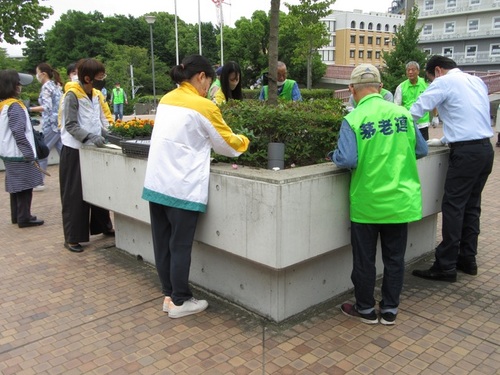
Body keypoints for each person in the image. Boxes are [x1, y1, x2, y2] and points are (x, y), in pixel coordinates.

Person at [142, 55, 250, 319]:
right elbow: (226, 143)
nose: (209, 88)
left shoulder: (166, 99)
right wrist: (246, 141)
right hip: (182, 187)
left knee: (162, 244)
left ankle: (169, 295)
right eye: (209, 81)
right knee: (180, 246)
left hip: (156, 184)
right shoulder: (203, 105)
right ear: (201, 77)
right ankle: (180, 301)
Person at [331, 64, 428, 325]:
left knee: (365, 261)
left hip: (367, 202)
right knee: (395, 259)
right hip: (399, 201)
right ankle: (389, 310)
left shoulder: (352, 119)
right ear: (381, 87)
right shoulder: (403, 114)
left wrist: (333, 156)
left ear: (351, 89)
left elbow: (347, 158)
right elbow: (422, 150)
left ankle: (364, 309)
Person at [411, 55, 494, 282]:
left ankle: (446, 266)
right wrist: (446, 138)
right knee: (471, 206)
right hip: (486, 150)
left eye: (429, 78)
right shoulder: (475, 80)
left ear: (437, 71)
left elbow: (415, 111)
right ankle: (468, 260)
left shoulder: (443, 82)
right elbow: (468, 115)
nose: (430, 83)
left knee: (453, 207)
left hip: (465, 154)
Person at [59, 58, 115, 253]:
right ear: (87, 78)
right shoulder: (72, 95)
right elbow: (71, 125)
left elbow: (96, 121)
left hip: (92, 148)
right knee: (75, 195)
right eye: (100, 77)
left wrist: (109, 135)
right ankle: (72, 238)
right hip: (74, 150)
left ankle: (104, 226)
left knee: (98, 188)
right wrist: (90, 136)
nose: (103, 79)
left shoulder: (96, 94)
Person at [0, 69, 45, 228]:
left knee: (16, 187)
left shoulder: (3, 105)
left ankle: (17, 216)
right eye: (18, 84)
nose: (20, 87)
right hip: (20, 154)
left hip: (8, 153)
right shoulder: (15, 106)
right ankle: (25, 218)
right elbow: (19, 132)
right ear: (12, 86)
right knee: (26, 186)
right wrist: (29, 154)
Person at [29, 63, 64, 191]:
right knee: (63, 152)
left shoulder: (46, 87)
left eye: (37, 72)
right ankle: (72, 177)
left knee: (42, 151)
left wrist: (29, 108)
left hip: (51, 124)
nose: (36, 75)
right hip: (58, 124)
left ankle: (39, 182)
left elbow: (47, 107)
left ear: (43, 74)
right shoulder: (55, 86)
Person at [394, 61, 439, 141]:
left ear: (418, 71)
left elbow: (433, 100)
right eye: (408, 70)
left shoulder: (426, 84)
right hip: (408, 123)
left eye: (413, 70)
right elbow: (397, 106)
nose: (410, 72)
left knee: (423, 148)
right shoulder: (401, 87)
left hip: (422, 123)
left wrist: (435, 116)